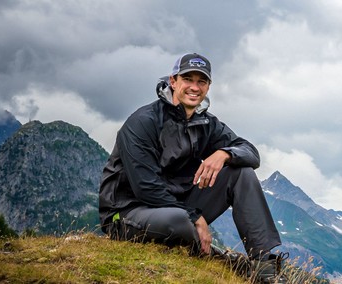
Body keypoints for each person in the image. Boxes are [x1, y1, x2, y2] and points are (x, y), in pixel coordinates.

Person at [98, 53, 285, 283]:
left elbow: (251, 153)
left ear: (208, 87)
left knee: (242, 173)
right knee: (178, 221)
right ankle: (221, 258)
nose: (194, 87)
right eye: (188, 79)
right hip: (128, 212)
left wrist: (224, 153)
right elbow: (145, 187)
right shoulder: (142, 122)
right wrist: (194, 217)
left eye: (202, 81)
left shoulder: (206, 123)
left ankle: (263, 269)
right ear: (173, 81)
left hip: (178, 207)